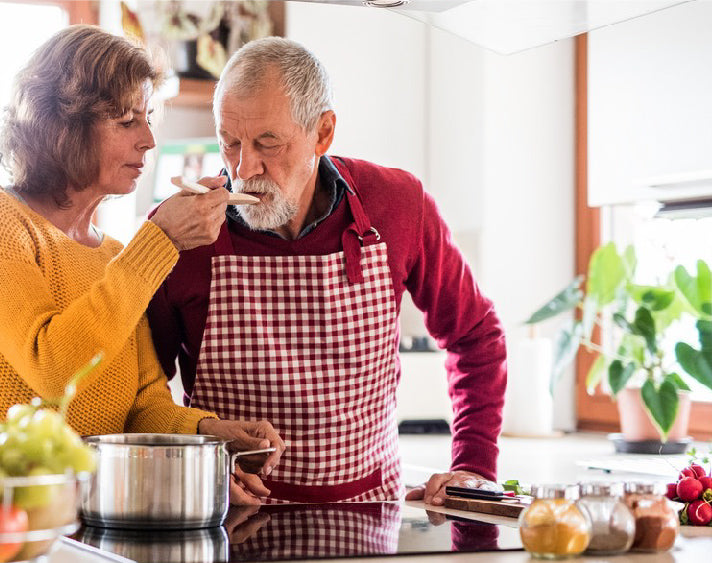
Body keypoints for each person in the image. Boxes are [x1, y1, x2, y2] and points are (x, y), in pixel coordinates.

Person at [0, 26, 284, 499]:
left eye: (147, 117)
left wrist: (212, 434)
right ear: (60, 126)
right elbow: (54, 368)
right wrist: (161, 240)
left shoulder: (114, 256)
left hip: (74, 515)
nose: (148, 139)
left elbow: (144, 404)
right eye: (127, 120)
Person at [147, 37, 507, 505]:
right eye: (229, 142)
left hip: (369, 517)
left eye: (267, 143)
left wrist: (474, 465)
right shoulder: (180, 234)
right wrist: (196, 464)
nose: (243, 167)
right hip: (226, 520)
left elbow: (477, 336)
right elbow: (143, 394)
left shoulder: (397, 204)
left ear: (323, 133)